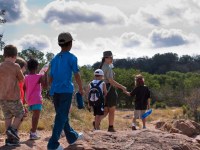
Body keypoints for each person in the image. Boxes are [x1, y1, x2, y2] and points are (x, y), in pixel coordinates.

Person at [47, 32, 84, 150]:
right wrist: (81, 88)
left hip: (55, 91)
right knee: (61, 116)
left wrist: (49, 88)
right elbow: (77, 74)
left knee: (62, 115)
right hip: (66, 91)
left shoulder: (54, 59)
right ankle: (52, 144)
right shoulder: (72, 57)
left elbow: (50, 76)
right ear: (70, 43)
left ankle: (72, 137)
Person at [0, 45, 25, 146]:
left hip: (2, 97)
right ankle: (12, 130)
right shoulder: (16, 66)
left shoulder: (0, 66)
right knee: (20, 114)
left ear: (4, 55)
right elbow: (22, 79)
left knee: (8, 116)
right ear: (15, 56)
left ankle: (9, 140)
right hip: (14, 97)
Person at [99, 51, 126, 132]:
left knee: (106, 110)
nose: (112, 59)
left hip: (102, 89)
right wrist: (122, 87)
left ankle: (96, 122)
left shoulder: (101, 67)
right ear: (106, 58)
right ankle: (110, 127)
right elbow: (111, 81)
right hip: (109, 90)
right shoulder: (108, 67)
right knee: (112, 109)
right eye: (111, 57)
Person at [24, 58, 47, 140]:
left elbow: (24, 88)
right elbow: (45, 86)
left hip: (29, 99)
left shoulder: (26, 77)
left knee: (34, 116)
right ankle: (33, 132)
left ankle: (33, 131)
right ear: (37, 67)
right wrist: (45, 74)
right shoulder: (39, 76)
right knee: (36, 116)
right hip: (37, 99)